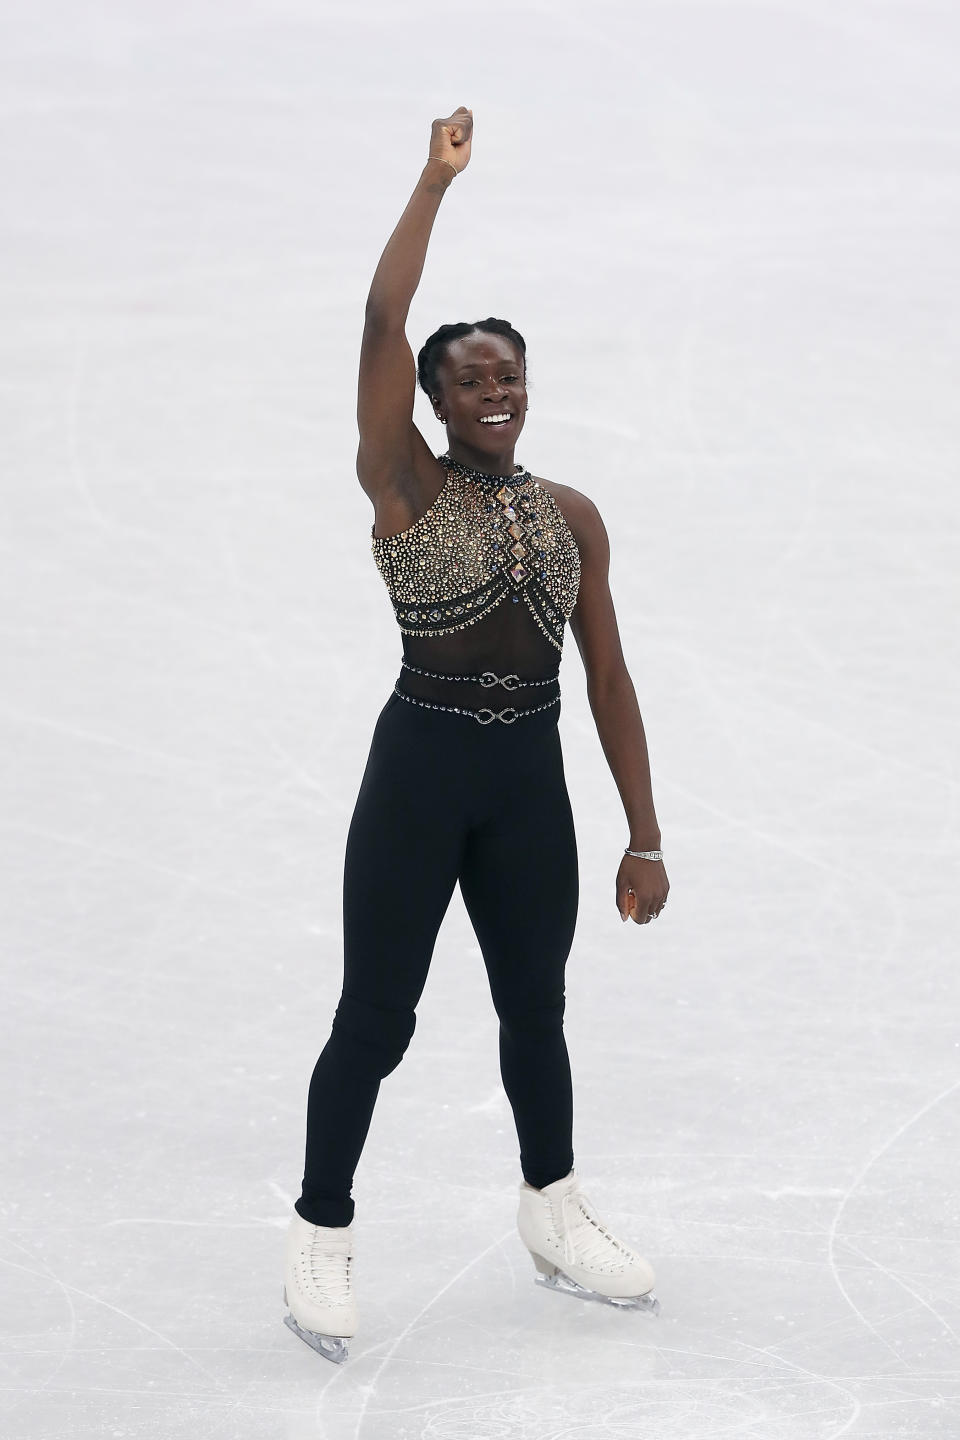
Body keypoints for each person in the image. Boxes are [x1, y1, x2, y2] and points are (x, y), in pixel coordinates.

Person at [282, 107, 670, 1364]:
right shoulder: (404, 483)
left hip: (528, 784)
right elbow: (380, 324)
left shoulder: (572, 515)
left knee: (535, 1008)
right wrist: (432, 182)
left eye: (508, 374)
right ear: (434, 401)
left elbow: (608, 673)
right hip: (422, 772)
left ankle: (551, 1209)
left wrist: (645, 835)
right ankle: (321, 1229)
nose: (494, 391)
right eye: (471, 378)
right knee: (377, 1020)